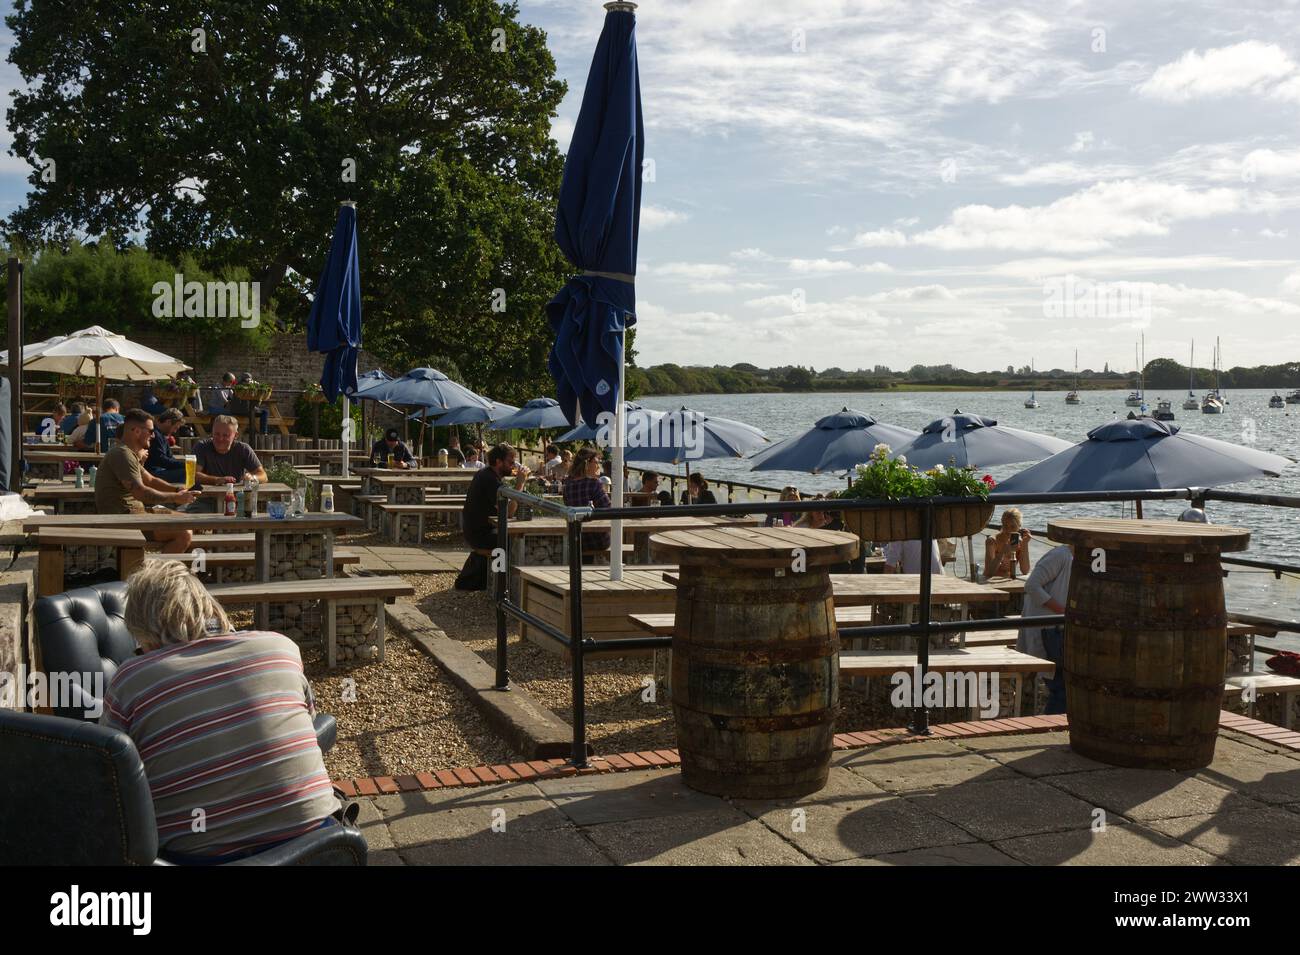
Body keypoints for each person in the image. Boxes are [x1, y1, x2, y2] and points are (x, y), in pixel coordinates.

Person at [100, 561, 341, 862]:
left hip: (201, 855)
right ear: (208, 605)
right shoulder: (281, 649)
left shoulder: (130, 679)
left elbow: (108, 777)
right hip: (318, 843)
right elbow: (306, 720)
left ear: (142, 631)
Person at [94, 409, 197, 553]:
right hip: (125, 519)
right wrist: (175, 498)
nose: (153, 435)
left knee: (193, 522)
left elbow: (150, 480)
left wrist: (176, 490)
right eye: (150, 431)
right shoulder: (122, 454)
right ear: (136, 431)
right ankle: (159, 574)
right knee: (184, 533)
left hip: (136, 514)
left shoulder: (127, 453)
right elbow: (140, 492)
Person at [455, 444, 530, 591]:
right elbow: (508, 512)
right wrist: (520, 484)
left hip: (476, 531)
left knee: (510, 539)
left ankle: (498, 581)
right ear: (498, 462)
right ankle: (499, 583)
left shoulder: (487, 474)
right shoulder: (490, 480)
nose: (513, 466)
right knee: (510, 543)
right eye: (510, 462)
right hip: (481, 535)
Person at [1021, 544, 1072, 715]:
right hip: (1047, 627)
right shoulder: (1060, 555)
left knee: (1062, 684)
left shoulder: (1084, 560)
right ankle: (1052, 724)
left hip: (1058, 626)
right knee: (1060, 684)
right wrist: (1061, 610)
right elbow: (1032, 585)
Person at [192, 414, 268, 497]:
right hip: (204, 497)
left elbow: (263, 476)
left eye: (225, 435)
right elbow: (194, 475)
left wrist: (252, 478)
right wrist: (217, 480)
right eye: (217, 434)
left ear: (235, 435)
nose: (220, 439)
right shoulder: (202, 447)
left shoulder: (243, 449)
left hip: (236, 498)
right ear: (212, 432)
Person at [564, 448, 612, 555]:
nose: (598, 466)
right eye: (596, 462)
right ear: (587, 464)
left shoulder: (568, 485)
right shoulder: (594, 484)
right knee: (618, 537)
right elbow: (608, 508)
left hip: (576, 538)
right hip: (597, 540)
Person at [984, 507, 1031, 578]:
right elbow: (989, 572)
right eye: (1005, 525)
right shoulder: (992, 541)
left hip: (1008, 580)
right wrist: (1002, 552)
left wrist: (1025, 544)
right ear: (1002, 524)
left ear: (1019, 526)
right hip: (989, 581)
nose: (1008, 529)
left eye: (1013, 526)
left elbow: (1025, 571)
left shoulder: (1020, 542)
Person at [145, 408, 188, 484]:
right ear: (168, 422)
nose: (175, 431)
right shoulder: (155, 435)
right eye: (175, 428)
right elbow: (161, 460)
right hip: (151, 474)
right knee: (186, 473)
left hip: (160, 471)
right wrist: (185, 465)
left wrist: (185, 465)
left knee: (188, 471)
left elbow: (170, 457)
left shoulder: (162, 436)